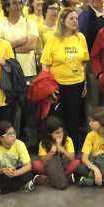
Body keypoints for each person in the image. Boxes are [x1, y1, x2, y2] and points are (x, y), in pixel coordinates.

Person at [41, 7, 90, 142]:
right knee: (58, 120)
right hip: (58, 85)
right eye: (71, 18)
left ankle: (73, 146)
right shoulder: (53, 39)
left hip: (77, 84)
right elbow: (45, 65)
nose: (75, 21)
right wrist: (49, 87)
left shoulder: (80, 38)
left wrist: (85, 82)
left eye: (76, 18)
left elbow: (84, 62)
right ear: (62, 20)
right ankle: (57, 146)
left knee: (74, 119)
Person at [0, 120, 35, 198]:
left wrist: (17, 172)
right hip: (2, 173)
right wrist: (2, 170)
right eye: (9, 134)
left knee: (29, 174)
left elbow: (28, 166)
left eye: (14, 133)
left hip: (15, 171)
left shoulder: (20, 144)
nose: (13, 136)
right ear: (0, 138)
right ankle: (21, 185)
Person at [33, 119, 80, 190]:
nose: (60, 134)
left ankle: (45, 179)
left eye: (62, 131)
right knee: (36, 164)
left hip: (64, 165)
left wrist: (63, 150)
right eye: (57, 133)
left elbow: (72, 158)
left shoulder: (68, 140)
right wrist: (51, 153)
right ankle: (67, 178)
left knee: (77, 162)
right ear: (49, 134)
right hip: (50, 166)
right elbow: (43, 161)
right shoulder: (43, 143)